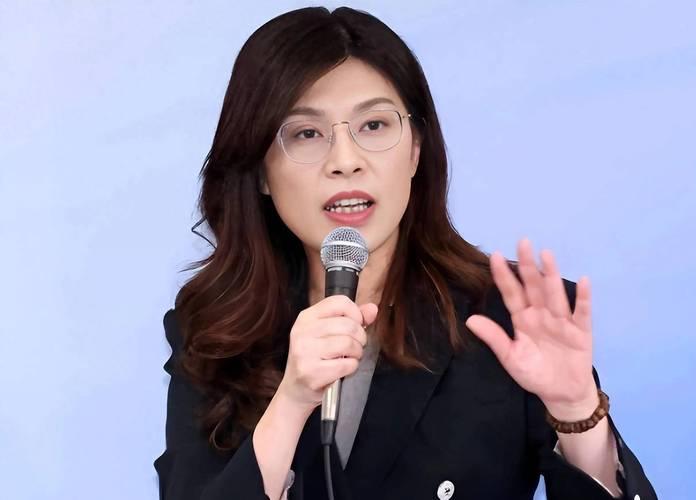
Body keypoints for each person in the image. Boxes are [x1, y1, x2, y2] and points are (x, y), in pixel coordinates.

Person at [154, 6, 658, 500]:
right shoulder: (214, 330)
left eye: (374, 125)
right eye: (306, 133)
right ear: (260, 170)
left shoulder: (508, 316)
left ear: (416, 148)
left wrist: (577, 412)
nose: (345, 161)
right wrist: (291, 402)